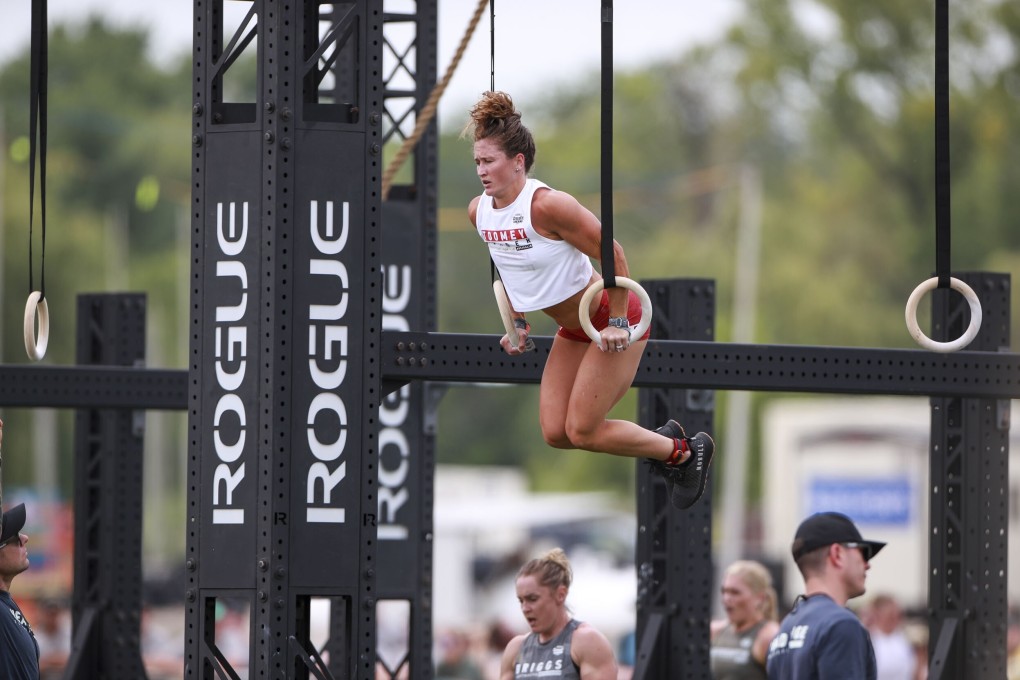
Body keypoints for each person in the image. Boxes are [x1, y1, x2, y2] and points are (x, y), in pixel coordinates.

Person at [465, 90, 714, 509]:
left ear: (518, 162)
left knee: (582, 429)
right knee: (555, 433)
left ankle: (684, 453)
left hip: (613, 315)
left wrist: (618, 322)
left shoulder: (548, 206)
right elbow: (511, 266)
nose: (481, 171)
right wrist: (518, 323)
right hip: (575, 326)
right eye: (477, 162)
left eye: (489, 161)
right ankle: (664, 443)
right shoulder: (479, 212)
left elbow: (612, 253)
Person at [766, 511, 886, 679]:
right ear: (837, 554)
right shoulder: (841, 625)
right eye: (863, 552)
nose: (867, 565)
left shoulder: (785, 628)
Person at [499, 547, 617, 680]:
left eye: (532, 599)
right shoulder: (516, 648)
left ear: (560, 594)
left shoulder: (586, 641)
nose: (525, 608)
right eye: (521, 601)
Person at [710, 560, 780, 679]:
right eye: (724, 591)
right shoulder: (715, 631)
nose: (726, 598)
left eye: (735, 593)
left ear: (760, 598)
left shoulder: (769, 636)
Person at [865, 594, 916, 680]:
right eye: (890, 614)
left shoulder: (904, 638)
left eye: (897, 613)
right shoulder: (869, 638)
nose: (895, 617)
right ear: (878, 613)